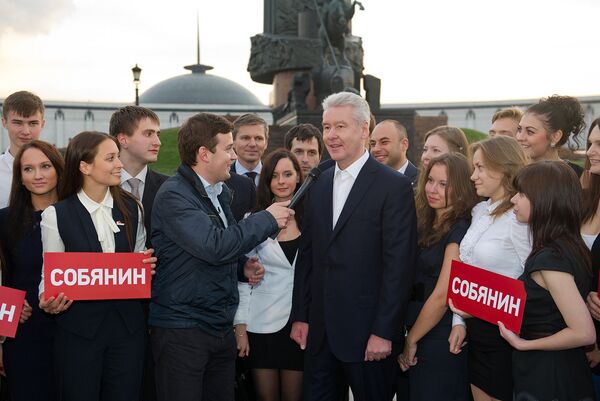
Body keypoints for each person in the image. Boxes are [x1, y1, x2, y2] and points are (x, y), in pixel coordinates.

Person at [149, 113, 294, 401]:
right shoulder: (174, 196)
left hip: (217, 325)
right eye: (227, 149)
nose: (233, 155)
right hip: (184, 329)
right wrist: (267, 219)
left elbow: (217, 249)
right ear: (204, 154)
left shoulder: (219, 192)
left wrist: (242, 267)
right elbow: (213, 245)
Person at [290, 92, 417, 401]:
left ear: (364, 130)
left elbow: (399, 266)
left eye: (340, 126)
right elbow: (308, 256)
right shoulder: (317, 182)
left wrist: (384, 332)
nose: (331, 136)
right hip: (319, 335)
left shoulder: (393, 186)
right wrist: (301, 316)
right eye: (327, 126)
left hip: (368, 337)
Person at [38, 131, 156, 401]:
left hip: (128, 331)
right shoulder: (57, 215)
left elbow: (138, 258)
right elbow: (50, 274)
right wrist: (46, 299)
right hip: (78, 334)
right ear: (85, 166)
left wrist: (145, 267)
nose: (120, 164)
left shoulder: (133, 208)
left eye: (118, 157)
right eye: (111, 158)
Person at [498, 161, 595, 400]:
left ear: (544, 199)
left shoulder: (551, 258)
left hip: (549, 377)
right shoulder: (570, 246)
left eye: (521, 194)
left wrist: (523, 344)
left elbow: (584, 333)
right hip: (558, 370)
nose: (513, 200)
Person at [450, 135, 529, 401]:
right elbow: (466, 273)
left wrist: (473, 310)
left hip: (504, 339)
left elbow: (534, 283)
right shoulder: (479, 211)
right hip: (474, 336)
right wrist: (459, 321)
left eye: (481, 167)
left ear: (505, 168)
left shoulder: (520, 220)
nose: (473, 175)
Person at [398, 153, 478, 401]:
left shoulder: (461, 228)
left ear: (462, 187)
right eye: (430, 180)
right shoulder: (424, 219)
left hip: (438, 337)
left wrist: (411, 340)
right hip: (412, 325)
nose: (432, 189)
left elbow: (443, 295)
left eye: (443, 184)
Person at [234, 149, 305, 401]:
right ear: (267, 181)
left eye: (288, 174)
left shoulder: (313, 220)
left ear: (299, 177)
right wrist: (240, 328)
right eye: (275, 176)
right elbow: (243, 281)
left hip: (300, 326)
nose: (282, 181)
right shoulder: (253, 220)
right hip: (261, 324)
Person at [109, 105, 166, 401]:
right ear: (123, 138)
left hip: (160, 309)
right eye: (148, 133)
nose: (157, 140)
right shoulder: (96, 189)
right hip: (110, 310)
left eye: (157, 133)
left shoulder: (170, 189)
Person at [0, 140, 63, 401]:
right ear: (20, 178)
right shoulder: (3, 221)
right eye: (28, 169)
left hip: (74, 333)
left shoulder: (78, 216)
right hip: (22, 334)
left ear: (59, 169)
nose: (37, 175)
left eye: (45, 166)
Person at [516, 94, 585, 176]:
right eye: (519, 129)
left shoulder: (579, 176)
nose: (519, 137)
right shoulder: (510, 173)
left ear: (555, 136)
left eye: (530, 131)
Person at [0, 91, 45, 208]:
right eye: (18, 123)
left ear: (42, 124)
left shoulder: (58, 171)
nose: (26, 131)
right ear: (4, 122)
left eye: (33, 123)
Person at [582, 118, 600, 396]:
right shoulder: (584, 199)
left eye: (599, 144)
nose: (589, 151)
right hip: (581, 339)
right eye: (589, 143)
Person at [370, 119, 418, 184]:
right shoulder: (365, 180)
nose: (376, 149)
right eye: (373, 144)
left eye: (384, 142)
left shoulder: (422, 182)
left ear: (404, 145)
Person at [231, 114, 269, 186]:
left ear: (266, 143)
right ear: (233, 142)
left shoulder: (274, 176)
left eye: (258, 138)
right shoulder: (221, 179)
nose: (252, 144)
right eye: (245, 138)